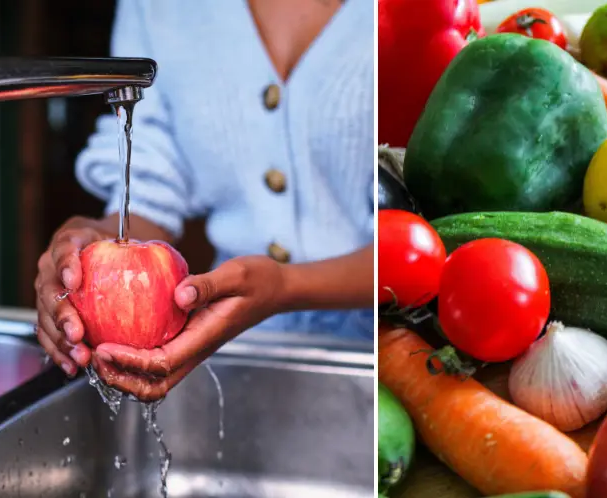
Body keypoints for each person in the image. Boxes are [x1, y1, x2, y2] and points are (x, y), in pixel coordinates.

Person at [34, 0, 374, 402]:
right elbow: (148, 185)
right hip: (227, 355)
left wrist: (287, 286)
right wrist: (92, 241)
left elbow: (419, 231)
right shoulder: (156, 8)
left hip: (391, 348)